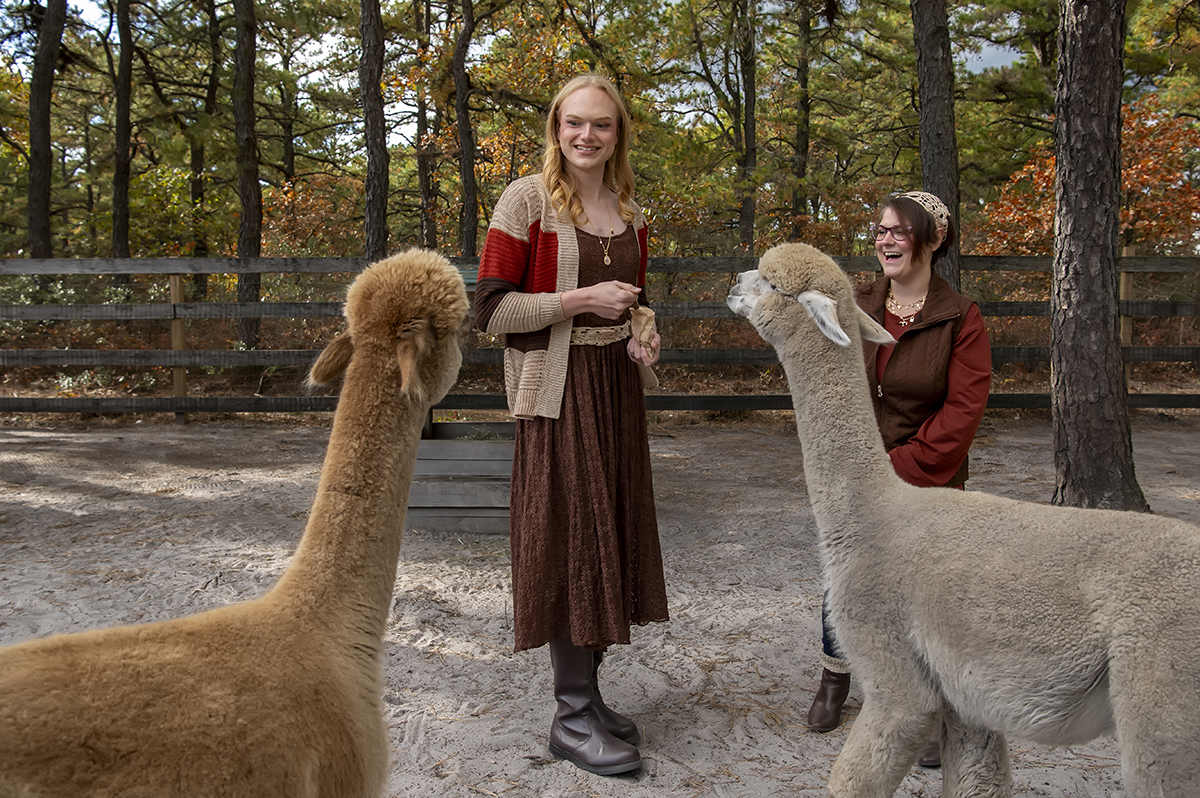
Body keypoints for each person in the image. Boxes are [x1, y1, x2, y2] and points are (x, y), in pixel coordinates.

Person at [473, 73, 668, 777]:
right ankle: (570, 714)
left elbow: (636, 305)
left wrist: (645, 334)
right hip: (557, 398)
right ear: (556, 127)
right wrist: (579, 296)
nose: (587, 136)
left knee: (608, 535)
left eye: (602, 125)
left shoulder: (629, 209)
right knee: (570, 540)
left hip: (616, 392)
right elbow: (492, 312)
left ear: (619, 134)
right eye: (574, 123)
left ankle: (590, 693)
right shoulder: (526, 200)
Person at [804, 191, 992, 768]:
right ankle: (836, 675)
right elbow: (821, 378)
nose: (885, 240)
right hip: (855, 472)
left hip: (928, 475)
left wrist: (898, 467)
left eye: (899, 231)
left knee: (926, 590)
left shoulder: (961, 317)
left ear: (932, 241)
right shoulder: (853, 303)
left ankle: (930, 704)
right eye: (880, 230)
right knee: (850, 572)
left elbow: (964, 407)